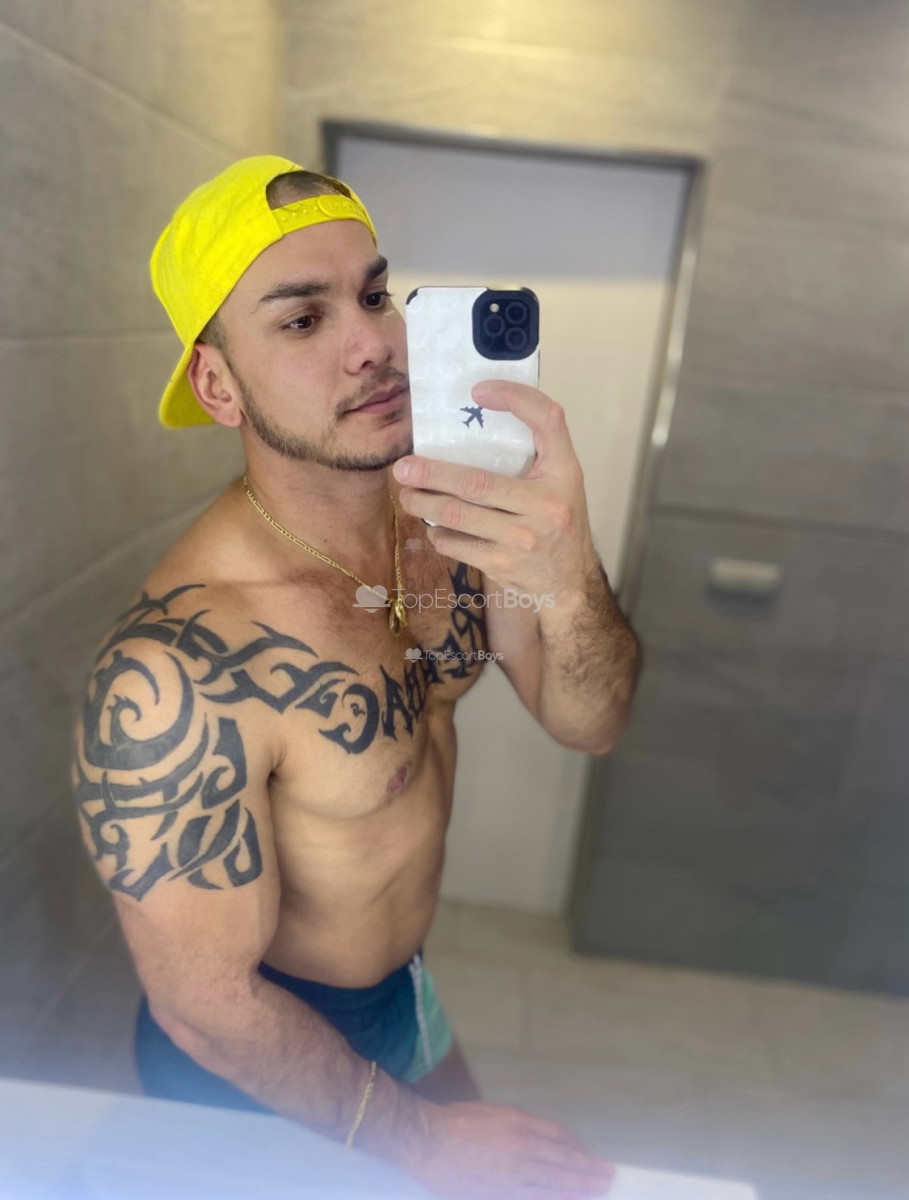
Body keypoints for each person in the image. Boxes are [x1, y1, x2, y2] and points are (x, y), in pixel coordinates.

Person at [70, 155, 642, 1199]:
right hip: (255, 1068)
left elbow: (589, 721)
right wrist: (425, 1144)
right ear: (217, 385)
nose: (373, 343)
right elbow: (205, 1004)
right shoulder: (183, 663)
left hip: (401, 998)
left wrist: (567, 572)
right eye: (303, 319)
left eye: (374, 294)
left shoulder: (452, 524)